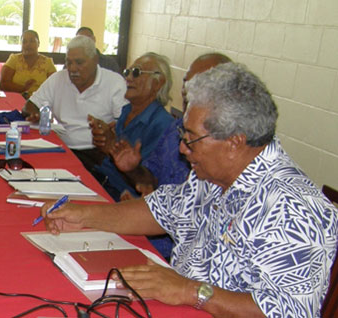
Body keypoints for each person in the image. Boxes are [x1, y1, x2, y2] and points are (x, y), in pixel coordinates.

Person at [42, 62, 338, 318]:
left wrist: (191, 291)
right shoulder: (213, 174)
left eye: (191, 138)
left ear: (234, 142)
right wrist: (84, 216)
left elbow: (287, 311)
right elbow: (159, 210)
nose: (183, 149)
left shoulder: (294, 208)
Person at [112, 53, 232, 200]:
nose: (186, 92)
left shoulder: (225, 145)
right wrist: (133, 170)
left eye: (198, 84)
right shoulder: (175, 128)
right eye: (186, 83)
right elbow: (152, 178)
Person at [22, 35, 127, 162]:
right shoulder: (58, 79)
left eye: (79, 62)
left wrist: (108, 131)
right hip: (61, 148)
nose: (72, 68)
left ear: (95, 60)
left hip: (97, 153)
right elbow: (30, 105)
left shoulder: (115, 82)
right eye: (69, 62)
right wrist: (35, 114)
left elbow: (125, 125)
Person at [89, 52, 175, 201]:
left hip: (121, 196)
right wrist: (103, 139)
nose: (128, 78)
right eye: (127, 72)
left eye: (136, 73)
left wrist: (111, 146)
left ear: (158, 83)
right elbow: (110, 157)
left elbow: (147, 183)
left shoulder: (163, 125)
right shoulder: (127, 110)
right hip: (99, 179)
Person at [0, 30, 56, 99]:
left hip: (40, 102)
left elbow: (54, 87)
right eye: (24, 42)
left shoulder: (48, 62)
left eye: (32, 41)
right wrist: (23, 88)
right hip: (15, 100)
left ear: (38, 44)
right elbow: (3, 84)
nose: (28, 44)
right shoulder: (14, 59)